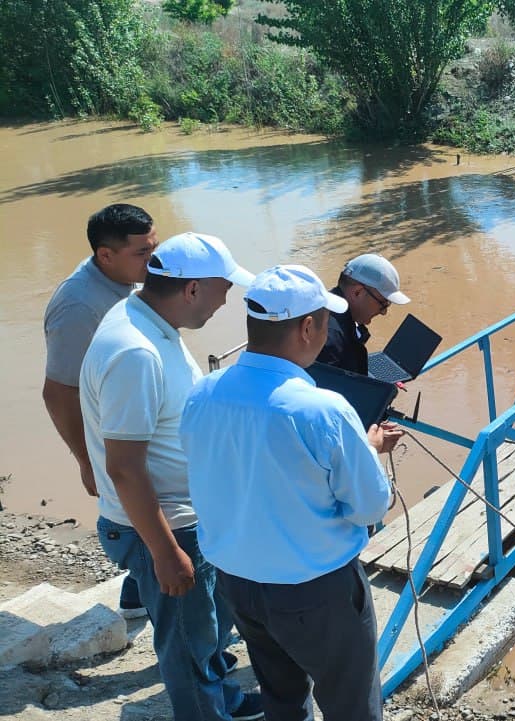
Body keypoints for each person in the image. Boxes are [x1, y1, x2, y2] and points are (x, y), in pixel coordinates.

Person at [182, 264, 404, 721]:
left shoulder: (202, 393)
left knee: (281, 699)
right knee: (351, 705)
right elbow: (368, 504)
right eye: (325, 322)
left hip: (239, 583)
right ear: (308, 326)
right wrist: (371, 451)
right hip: (315, 589)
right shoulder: (321, 409)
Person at [80, 232, 262, 721]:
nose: (227, 301)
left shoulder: (149, 322)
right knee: (188, 645)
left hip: (190, 515)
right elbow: (123, 466)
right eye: (224, 289)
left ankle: (222, 699)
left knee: (210, 632)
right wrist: (165, 553)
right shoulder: (135, 352)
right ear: (192, 289)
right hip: (167, 528)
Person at [43, 204, 158, 620]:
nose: (154, 260)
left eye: (154, 247)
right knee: (140, 505)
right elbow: (57, 392)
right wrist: (86, 461)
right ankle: (144, 595)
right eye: (143, 253)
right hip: (111, 433)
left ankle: (138, 594)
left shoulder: (122, 275)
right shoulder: (78, 306)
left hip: (131, 409)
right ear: (105, 255)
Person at [316, 253, 410, 375]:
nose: (384, 312)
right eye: (382, 303)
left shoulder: (329, 310)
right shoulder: (329, 338)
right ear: (357, 293)